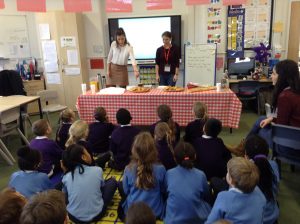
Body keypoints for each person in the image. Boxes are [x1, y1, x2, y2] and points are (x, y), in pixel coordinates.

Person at [247, 59, 300, 149]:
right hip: (295, 136)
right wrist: (272, 119)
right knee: (262, 119)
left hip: (289, 144)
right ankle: (243, 147)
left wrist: (273, 121)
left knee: (259, 131)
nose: (271, 76)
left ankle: (244, 147)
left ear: (283, 77)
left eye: (274, 74)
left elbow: (281, 127)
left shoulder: (285, 97)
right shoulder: (295, 91)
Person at [61, 144, 117, 223]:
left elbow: (65, 196)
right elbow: (101, 189)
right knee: (112, 182)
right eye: (87, 152)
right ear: (83, 157)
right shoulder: (97, 170)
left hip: (74, 217)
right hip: (98, 214)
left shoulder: (66, 177)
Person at [119, 132, 166, 221]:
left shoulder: (128, 169)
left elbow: (126, 191)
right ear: (154, 150)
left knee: (120, 186)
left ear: (134, 150)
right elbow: (163, 190)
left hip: (133, 213)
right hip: (155, 212)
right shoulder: (161, 169)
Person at [205, 157, 266, 224]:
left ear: (231, 180)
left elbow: (210, 222)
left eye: (228, 172)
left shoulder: (223, 197)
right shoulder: (259, 192)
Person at [164, 141, 211, 224]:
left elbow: (166, 194)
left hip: (173, 220)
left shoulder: (169, 174)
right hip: (198, 220)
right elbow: (206, 197)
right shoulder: (201, 175)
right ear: (195, 156)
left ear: (175, 158)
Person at [244, 135, 280, 224]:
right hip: (272, 216)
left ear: (246, 155)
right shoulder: (274, 165)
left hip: (250, 219)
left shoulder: (244, 170)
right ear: (267, 153)